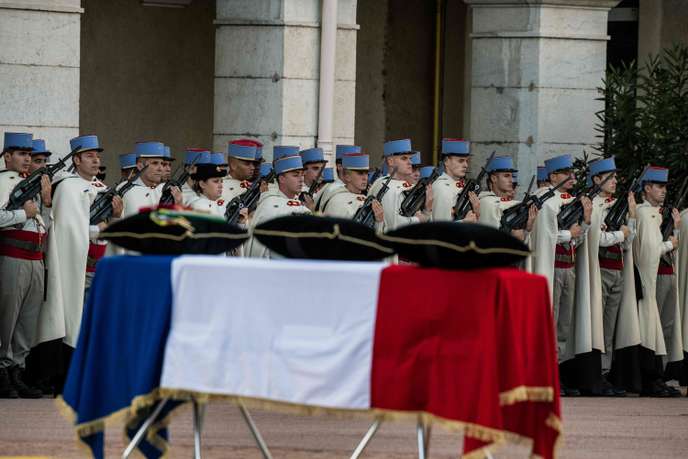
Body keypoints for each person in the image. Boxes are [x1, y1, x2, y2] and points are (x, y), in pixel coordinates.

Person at [35, 135, 123, 394]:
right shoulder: (69, 186)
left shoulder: (97, 187)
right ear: (76, 160)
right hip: (75, 264)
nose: (96, 160)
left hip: (95, 263)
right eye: (89, 156)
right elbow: (71, 230)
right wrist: (100, 227)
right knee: (71, 318)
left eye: (97, 156)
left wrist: (114, 219)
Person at [531, 154, 593, 396]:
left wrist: (584, 225)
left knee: (563, 325)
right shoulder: (545, 200)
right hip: (553, 266)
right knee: (551, 320)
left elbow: (576, 241)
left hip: (568, 266)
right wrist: (571, 233)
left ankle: (556, 372)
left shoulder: (569, 200)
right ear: (553, 176)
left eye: (572, 173)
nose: (571, 178)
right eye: (565, 173)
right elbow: (547, 236)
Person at [0, 132, 50, 398]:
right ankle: (3, 372)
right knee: (7, 318)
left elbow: (45, 225)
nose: (26, 159)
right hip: (13, 255)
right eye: (21, 154)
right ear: (7, 156)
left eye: (29, 155)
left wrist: (47, 202)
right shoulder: (3, 182)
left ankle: (17, 370)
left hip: (35, 258)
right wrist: (23, 213)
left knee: (26, 322)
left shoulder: (30, 184)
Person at [584, 157, 636, 396]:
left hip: (617, 268)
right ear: (596, 179)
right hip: (602, 268)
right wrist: (621, 234)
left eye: (616, 177)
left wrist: (630, 222)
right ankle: (596, 375)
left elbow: (629, 241)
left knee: (610, 326)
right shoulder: (593, 205)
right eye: (610, 177)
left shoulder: (616, 205)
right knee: (598, 325)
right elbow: (600, 240)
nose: (615, 181)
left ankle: (605, 374)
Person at [633, 166, 682, 397]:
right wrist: (671, 244)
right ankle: (650, 380)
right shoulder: (645, 213)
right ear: (647, 188)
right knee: (648, 329)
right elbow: (651, 251)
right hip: (646, 280)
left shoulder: (652, 213)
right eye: (659, 186)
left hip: (651, 280)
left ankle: (656, 377)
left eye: (664, 187)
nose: (663, 191)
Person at [246, 155, 311, 258]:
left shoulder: (300, 205)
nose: (301, 179)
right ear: (281, 179)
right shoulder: (270, 205)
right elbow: (259, 250)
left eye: (302, 175)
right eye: (295, 175)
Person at [368, 139, 432, 230]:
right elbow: (392, 225)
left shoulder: (407, 185)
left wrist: (427, 210)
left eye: (410, 158)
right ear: (390, 161)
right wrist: (418, 219)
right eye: (404, 158)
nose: (410, 162)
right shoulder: (385, 186)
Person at [478, 156, 536, 241]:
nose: (511, 180)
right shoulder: (486, 202)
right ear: (494, 178)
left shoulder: (509, 203)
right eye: (506, 176)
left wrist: (527, 228)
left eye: (511, 176)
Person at [121, 141, 181, 218]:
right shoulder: (125, 190)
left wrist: (179, 205)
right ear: (140, 166)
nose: (160, 168)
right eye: (155, 163)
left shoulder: (165, 190)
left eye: (162, 164)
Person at [322, 153, 383, 228]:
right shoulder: (337, 201)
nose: (365, 178)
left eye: (366, 173)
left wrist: (379, 221)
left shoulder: (367, 198)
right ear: (347, 177)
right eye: (360, 173)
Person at [431, 138, 478, 222]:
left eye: (466, 161)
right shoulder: (442, 187)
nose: (466, 165)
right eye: (461, 161)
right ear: (446, 161)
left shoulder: (460, 184)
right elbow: (441, 228)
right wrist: (464, 222)